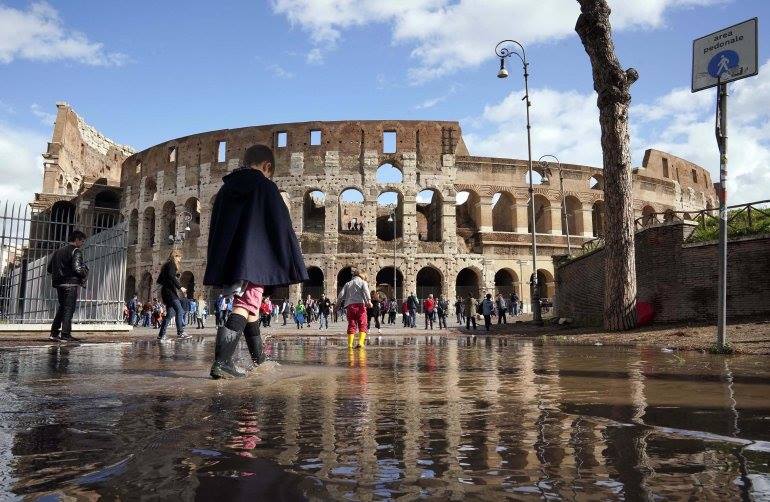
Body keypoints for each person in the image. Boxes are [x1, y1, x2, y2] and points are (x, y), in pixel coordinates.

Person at [203, 144, 308, 379]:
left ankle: (259, 359)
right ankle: (222, 362)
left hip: (233, 257)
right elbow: (282, 226)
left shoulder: (225, 189)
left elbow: (217, 228)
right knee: (245, 305)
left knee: (252, 308)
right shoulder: (265, 186)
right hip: (255, 259)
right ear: (267, 166)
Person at [47, 230, 89, 342]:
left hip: (59, 284)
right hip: (70, 284)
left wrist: (61, 274)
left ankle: (54, 333)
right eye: (82, 241)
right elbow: (77, 269)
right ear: (76, 240)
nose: (83, 244)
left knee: (62, 308)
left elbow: (49, 269)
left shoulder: (58, 251)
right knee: (68, 309)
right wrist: (84, 271)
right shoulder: (76, 251)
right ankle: (65, 335)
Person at [156, 249, 191, 341]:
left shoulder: (166, 266)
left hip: (166, 291)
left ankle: (161, 335)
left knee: (169, 314)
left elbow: (160, 280)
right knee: (180, 311)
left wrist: (173, 277)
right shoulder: (171, 264)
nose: (180, 259)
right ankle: (180, 332)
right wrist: (180, 287)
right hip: (170, 292)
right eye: (179, 257)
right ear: (175, 256)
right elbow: (171, 276)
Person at [337, 269, 372, 349]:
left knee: (351, 324)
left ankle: (350, 345)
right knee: (362, 323)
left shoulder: (348, 284)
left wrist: (337, 305)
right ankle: (360, 342)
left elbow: (341, 295)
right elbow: (366, 291)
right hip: (361, 306)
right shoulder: (363, 282)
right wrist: (369, 301)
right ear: (362, 275)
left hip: (350, 307)